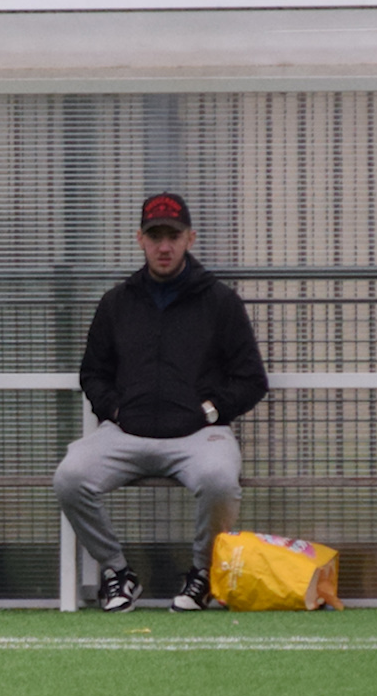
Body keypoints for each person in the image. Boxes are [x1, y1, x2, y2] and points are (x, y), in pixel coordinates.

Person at [53, 193, 268, 612]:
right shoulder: (117, 302)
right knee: (70, 477)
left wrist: (208, 412)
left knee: (220, 480)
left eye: (173, 236)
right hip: (125, 434)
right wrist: (116, 411)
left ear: (190, 238)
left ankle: (203, 574)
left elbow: (251, 380)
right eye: (155, 237)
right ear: (140, 240)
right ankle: (117, 573)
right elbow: (93, 373)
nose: (164, 246)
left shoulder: (220, 301)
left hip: (198, 435)